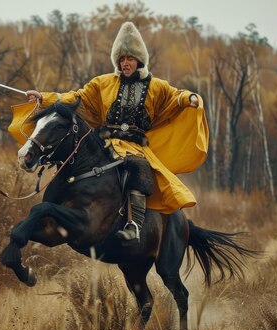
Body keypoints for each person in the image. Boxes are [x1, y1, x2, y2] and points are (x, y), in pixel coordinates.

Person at [19, 21, 209, 242]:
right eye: (121, 59)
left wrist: (191, 98)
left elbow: (177, 96)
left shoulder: (157, 86)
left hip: (135, 146)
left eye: (129, 58)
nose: (125, 62)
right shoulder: (103, 82)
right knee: (74, 158)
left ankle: (134, 225)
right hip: (104, 140)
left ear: (139, 60)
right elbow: (74, 97)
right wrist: (43, 97)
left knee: (138, 167)